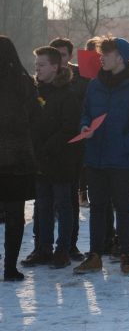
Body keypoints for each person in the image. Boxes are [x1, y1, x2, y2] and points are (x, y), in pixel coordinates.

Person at [72, 37, 129, 277]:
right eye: (101, 53)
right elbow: (85, 113)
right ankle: (95, 255)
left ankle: (126, 256)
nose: (101, 58)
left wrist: (125, 146)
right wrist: (85, 127)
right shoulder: (95, 84)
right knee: (97, 208)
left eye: (106, 53)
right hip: (95, 157)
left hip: (122, 160)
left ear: (121, 58)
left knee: (123, 207)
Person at [22, 47, 80, 270]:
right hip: (39, 159)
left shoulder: (67, 94)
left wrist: (46, 147)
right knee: (42, 206)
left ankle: (63, 249)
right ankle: (42, 248)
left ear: (55, 67)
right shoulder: (35, 92)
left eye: (42, 65)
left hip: (61, 160)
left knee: (63, 205)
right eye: (36, 65)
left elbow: (69, 128)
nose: (37, 69)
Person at [0, 36, 41, 281]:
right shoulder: (24, 83)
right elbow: (36, 118)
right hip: (18, 160)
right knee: (15, 217)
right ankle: (10, 268)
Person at [50, 36, 90, 260]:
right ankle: (43, 245)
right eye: (55, 55)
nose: (59, 60)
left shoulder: (81, 79)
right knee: (46, 199)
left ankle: (69, 244)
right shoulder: (45, 77)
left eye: (63, 55)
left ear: (70, 56)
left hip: (74, 146)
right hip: (49, 147)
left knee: (70, 197)